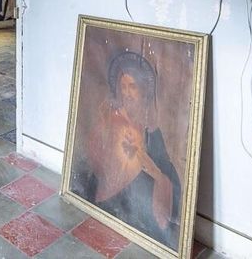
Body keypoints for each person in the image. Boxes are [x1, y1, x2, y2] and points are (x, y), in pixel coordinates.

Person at [72, 50, 182, 249]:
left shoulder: (150, 128)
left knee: (164, 179)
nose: (127, 93)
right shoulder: (113, 119)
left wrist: (157, 173)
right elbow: (98, 154)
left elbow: (164, 166)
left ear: (142, 91)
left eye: (132, 87)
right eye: (123, 87)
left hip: (137, 193)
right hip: (113, 191)